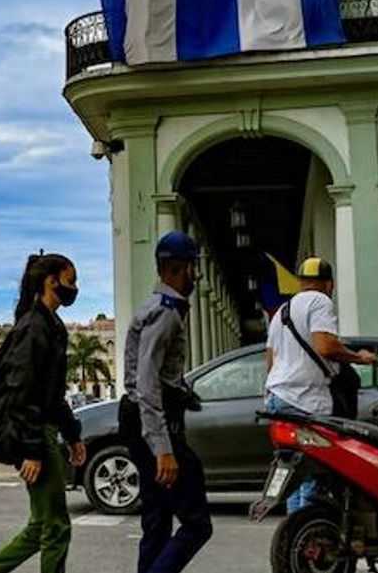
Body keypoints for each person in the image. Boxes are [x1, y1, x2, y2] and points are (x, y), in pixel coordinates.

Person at [0, 253, 86, 573]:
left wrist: (73, 433)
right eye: (71, 280)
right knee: (56, 528)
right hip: (35, 434)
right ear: (51, 281)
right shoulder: (33, 327)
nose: (75, 288)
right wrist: (31, 450)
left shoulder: (51, 325)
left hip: (44, 430)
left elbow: (52, 392)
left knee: (42, 527)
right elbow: (22, 393)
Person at [120, 231, 212, 573]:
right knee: (197, 522)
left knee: (157, 521)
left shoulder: (157, 308)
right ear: (180, 268)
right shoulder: (166, 314)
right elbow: (147, 383)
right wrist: (163, 449)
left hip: (140, 418)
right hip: (155, 425)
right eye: (193, 268)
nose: (195, 276)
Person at [264, 257, 376, 512]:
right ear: (329, 284)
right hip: (305, 399)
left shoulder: (282, 311)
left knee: (291, 473)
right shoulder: (320, 301)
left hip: (278, 398)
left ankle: (295, 534)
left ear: (301, 282)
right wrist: (359, 357)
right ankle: (309, 535)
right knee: (313, 472)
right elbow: (325, 346)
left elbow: (270, 360)